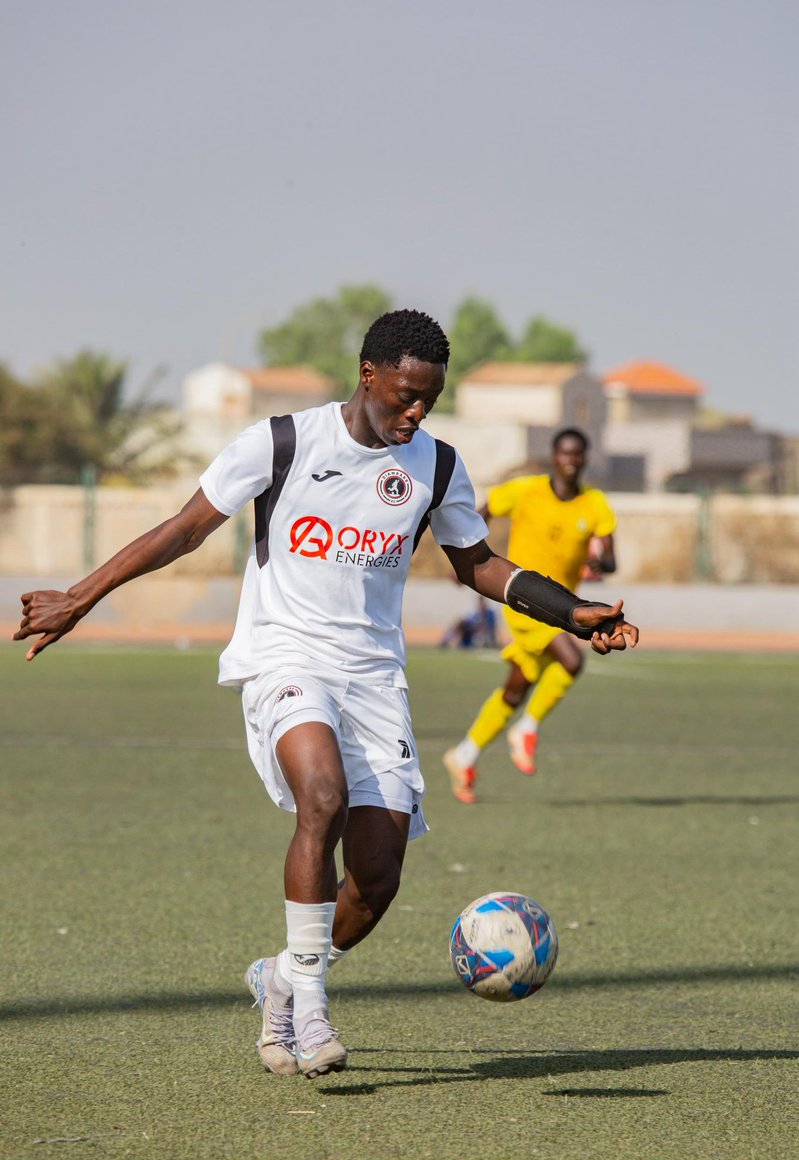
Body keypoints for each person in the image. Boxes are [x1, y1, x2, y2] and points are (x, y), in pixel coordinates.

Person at [13, 311, 638, 1079]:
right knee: (322, 796)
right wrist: (81, 596)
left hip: (374, 677)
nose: (415, 413)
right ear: (368, 373)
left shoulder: (436, 466)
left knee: (376, 878)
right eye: (405, 395)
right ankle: (306, 1007)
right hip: (284, 654)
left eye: (429, 401)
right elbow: (183, 529)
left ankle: (280, 974)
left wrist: (572, 610)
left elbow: (476, 563)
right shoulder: (281, 442)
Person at [443, 428, 617, 804]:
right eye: (564, 453)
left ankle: (464, 755)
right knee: (571, 661)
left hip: (559, 605)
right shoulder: (527, 490)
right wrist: (465, 555)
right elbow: (486, 508)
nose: (570, 460)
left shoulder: (595, 504)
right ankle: (528, 729)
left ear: (585, 459)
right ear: (554, 457)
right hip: (522, 602)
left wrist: (600, 560)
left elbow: (611, 559)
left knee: (516, 688)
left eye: (577, 454)